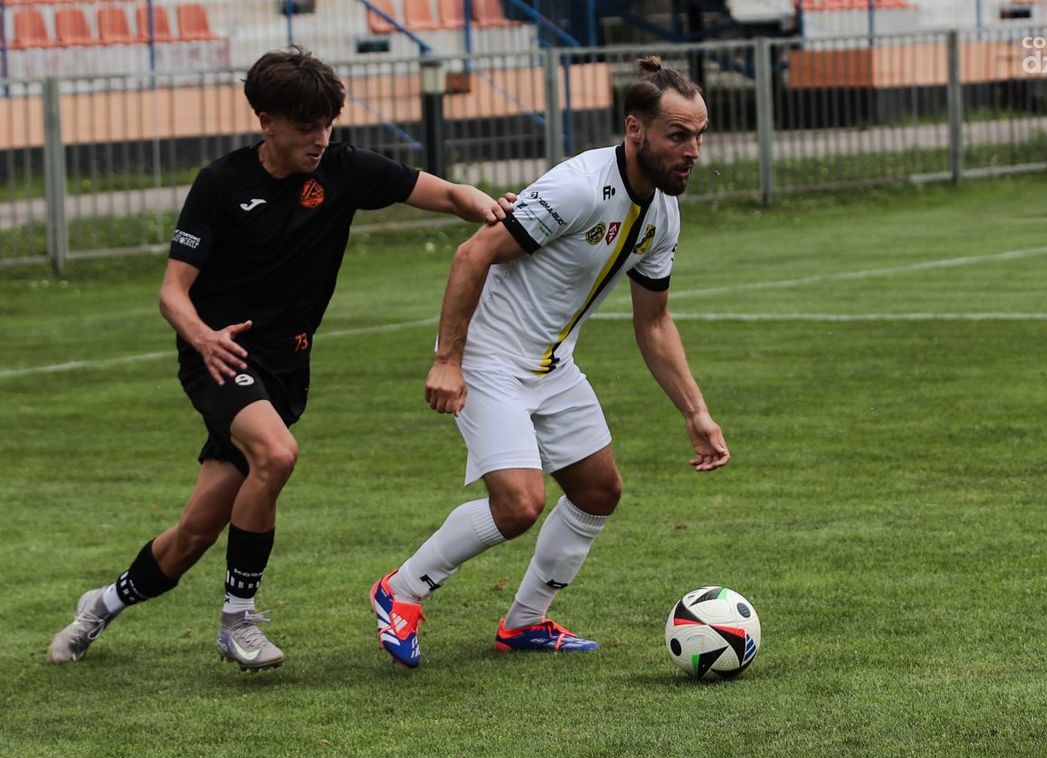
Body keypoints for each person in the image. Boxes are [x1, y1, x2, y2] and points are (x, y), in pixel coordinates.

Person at [47, 47, 511, 671]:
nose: (321, 139)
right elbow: (172, 292)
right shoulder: (222, 184)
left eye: (328, 125)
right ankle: (238, 620)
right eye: (306, 127)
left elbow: (449, 193)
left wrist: (491, 208)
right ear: (266, 121)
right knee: (277, 454)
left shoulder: (345, 170)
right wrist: (203, 337)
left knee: (194, 533)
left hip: (286, 372)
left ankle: (99, 607)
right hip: (220, 358)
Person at [369, 56, 730, 669]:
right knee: (518, 505)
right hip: (488, 359)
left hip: (552, 364)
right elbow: (473, 255)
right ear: (635, 129)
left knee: (598, 491)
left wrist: (695, 411)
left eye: (698, 136)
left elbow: (654, 322)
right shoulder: (579, 187)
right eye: (678, 136)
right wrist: (448, 360)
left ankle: (525, 622)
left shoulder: (663, 215)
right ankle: (399, 591)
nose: (692, 151)